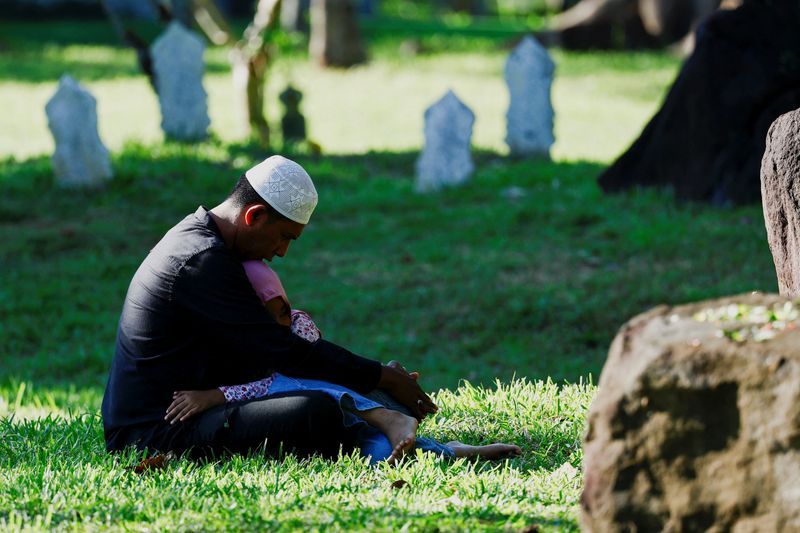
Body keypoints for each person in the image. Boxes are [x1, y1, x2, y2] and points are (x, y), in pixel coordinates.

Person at [101, 155, 437, 460]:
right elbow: (281, 351)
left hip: (203, 407)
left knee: (322, 394)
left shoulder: (207, 243)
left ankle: (391, 423)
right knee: (315, 411)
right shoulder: (201, 260)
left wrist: (374, 378)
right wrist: (381, 377)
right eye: (285, 237)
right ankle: (390, 432)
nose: (282, 252)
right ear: (255, 216)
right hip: (154, 432)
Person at [164, 260, 522, 463]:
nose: (278, 326)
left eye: (282, 313)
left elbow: (312, 373)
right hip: (331, 422)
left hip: (345, 403)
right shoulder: (245, 343)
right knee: (381, 451)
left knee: (288, 379)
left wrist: (216, 396)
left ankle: (391, 416)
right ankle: (452, 452)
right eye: (266, 318)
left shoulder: (298, 330)